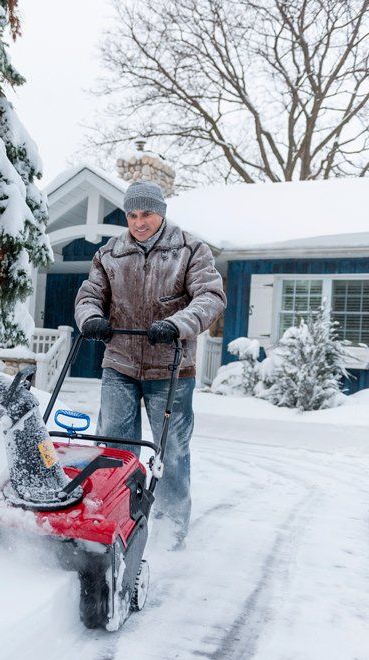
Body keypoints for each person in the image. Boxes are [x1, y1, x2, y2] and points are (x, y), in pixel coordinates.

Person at [74, 180, 225, 549]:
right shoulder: (110, 253)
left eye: (147, 214)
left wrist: (176, 325)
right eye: (133, 214)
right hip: (120, 364)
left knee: (170, 452)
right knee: (115, 449)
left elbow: (211, 297)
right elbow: (89, 295)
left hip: (171, 368)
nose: (139, 222)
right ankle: (114, 522)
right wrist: (90, 317)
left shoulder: (190, 249)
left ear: (162, 212)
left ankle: (171, 534)